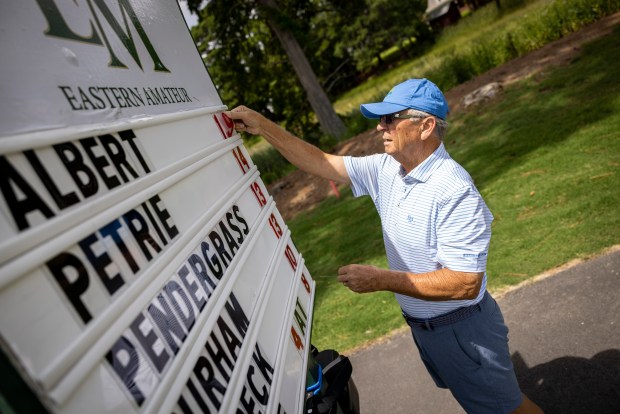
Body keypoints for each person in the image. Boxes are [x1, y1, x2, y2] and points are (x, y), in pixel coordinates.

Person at [226, 78, 543, 414]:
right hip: (429, 330)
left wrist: (382, 280)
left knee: (508, 409)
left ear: (426, 126)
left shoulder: (454, 190)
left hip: (462, 330)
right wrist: (263, 127)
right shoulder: (387, 168)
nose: (381, 127)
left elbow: (466, 282)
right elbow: (320, 161)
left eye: (391, 118)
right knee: (481, 404)